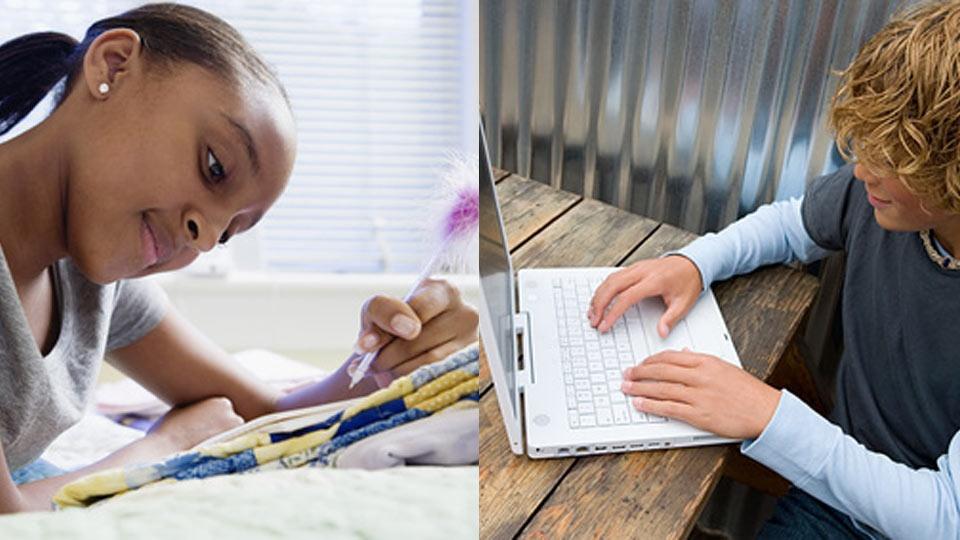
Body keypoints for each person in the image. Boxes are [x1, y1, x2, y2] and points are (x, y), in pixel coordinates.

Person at [0, 3, 477, 513]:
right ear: (113, 65)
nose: (203, 239)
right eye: (213, 167)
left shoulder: (89, 280)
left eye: (228, 233)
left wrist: (382, 363)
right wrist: (165, 447)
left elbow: (264, 411)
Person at [588, 1, 960, 538]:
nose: (862, 170)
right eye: (866, 146)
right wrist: (694, 262)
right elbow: (792, 225)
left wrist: (768, 416)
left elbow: (945, 518)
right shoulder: (876, 199)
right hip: (834, 497)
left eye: (892, 158)